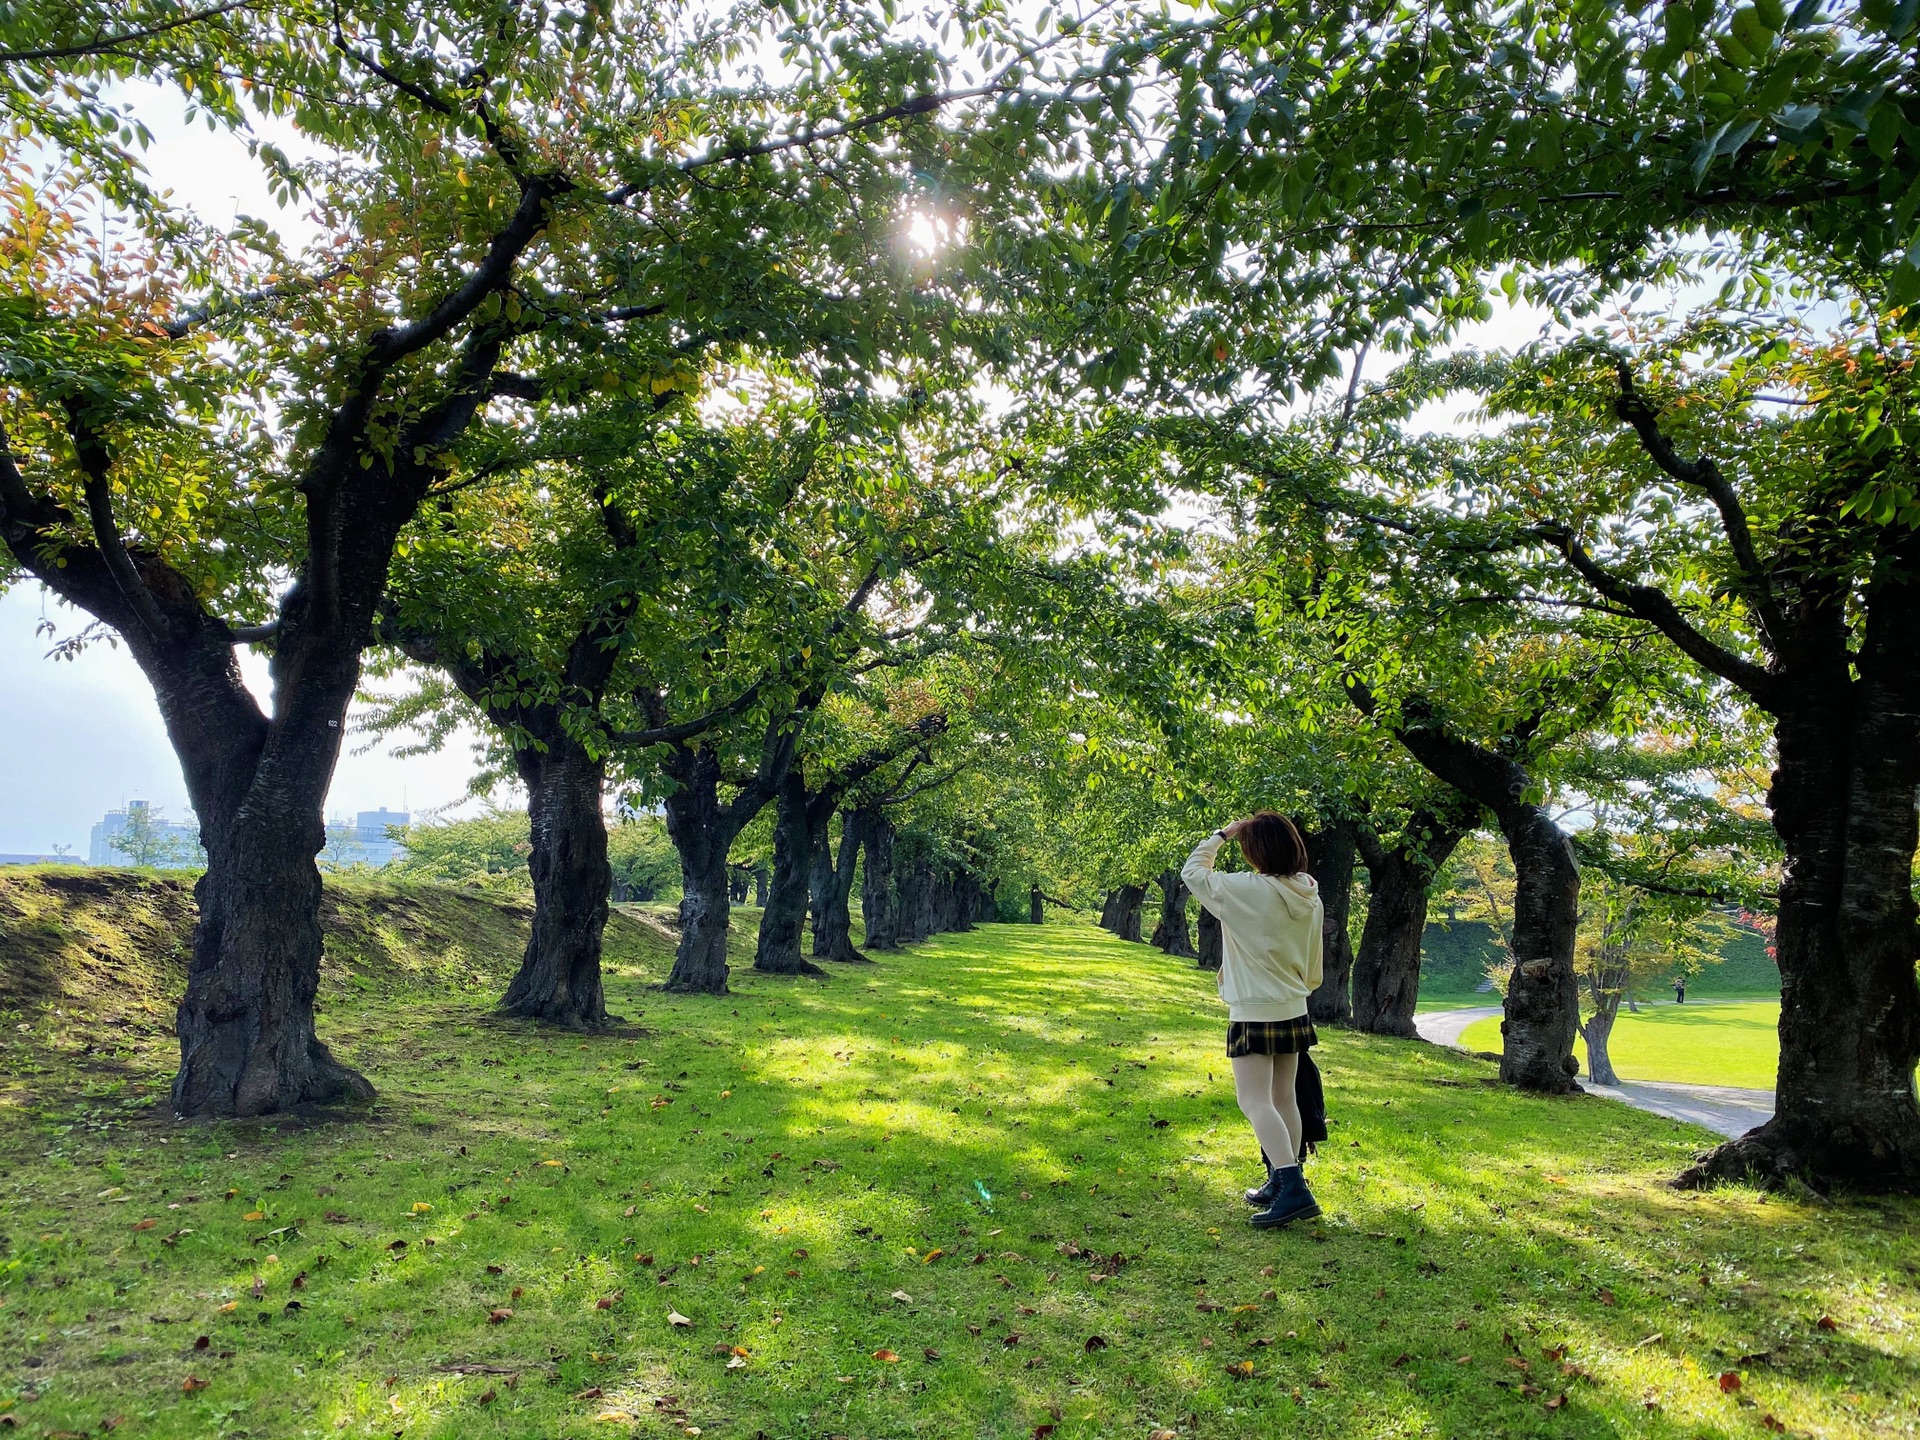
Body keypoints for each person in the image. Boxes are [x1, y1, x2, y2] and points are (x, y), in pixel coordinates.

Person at [1182, 812, 1325, 1229]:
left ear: (1255, 850)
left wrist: (1222, 834)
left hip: (1255, 1009)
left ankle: (1292, 1186)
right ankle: (1280, 1180)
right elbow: (1314, 963)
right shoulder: (1309, 893)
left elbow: (1194, 872)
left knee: (1254, 1100)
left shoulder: (1245, 890)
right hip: (1293, 1005)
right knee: (1284, 1098)